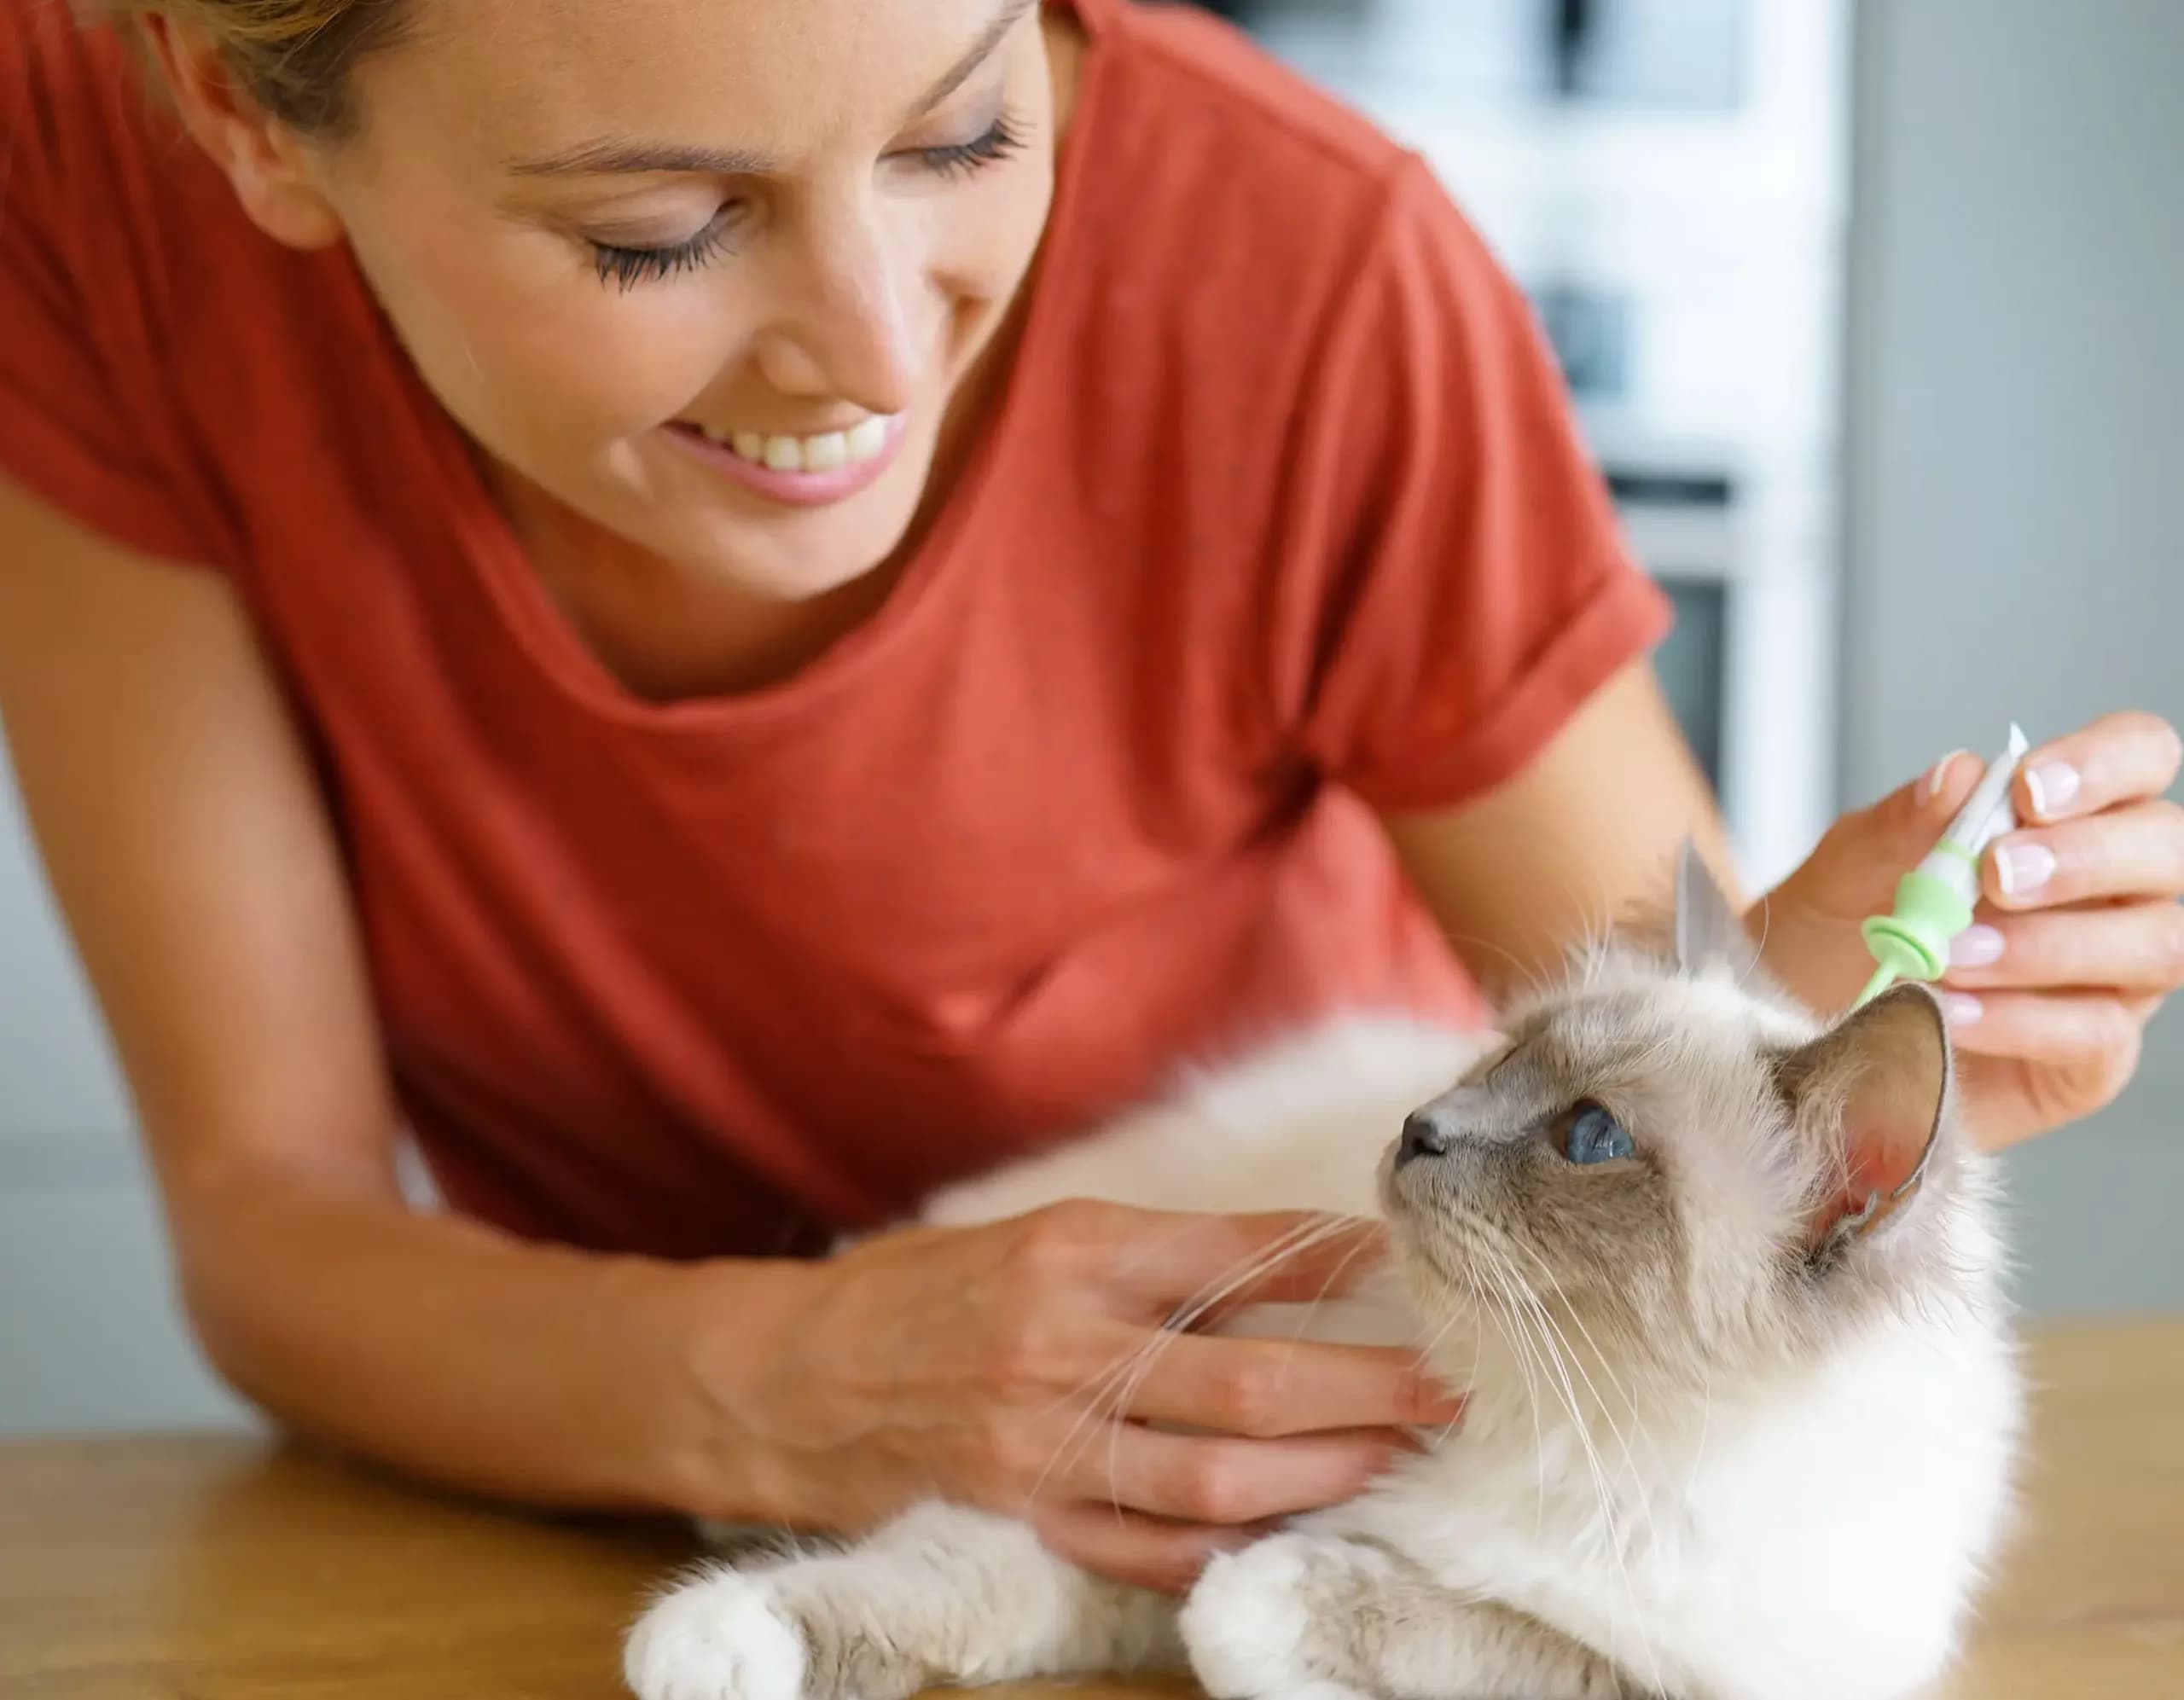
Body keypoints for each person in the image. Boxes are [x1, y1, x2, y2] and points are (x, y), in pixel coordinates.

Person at [1, 0, 2177, 1593]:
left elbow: (1711, 1050)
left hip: (1292, 1521)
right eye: (658, 230)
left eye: (963, 136)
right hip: (591, 1534)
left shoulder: (1311, 279)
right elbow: (275, 1230)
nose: (869, 351)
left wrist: (1851, 1057)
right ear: (243, 118)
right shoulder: (83, 170)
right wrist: (787, 1378)